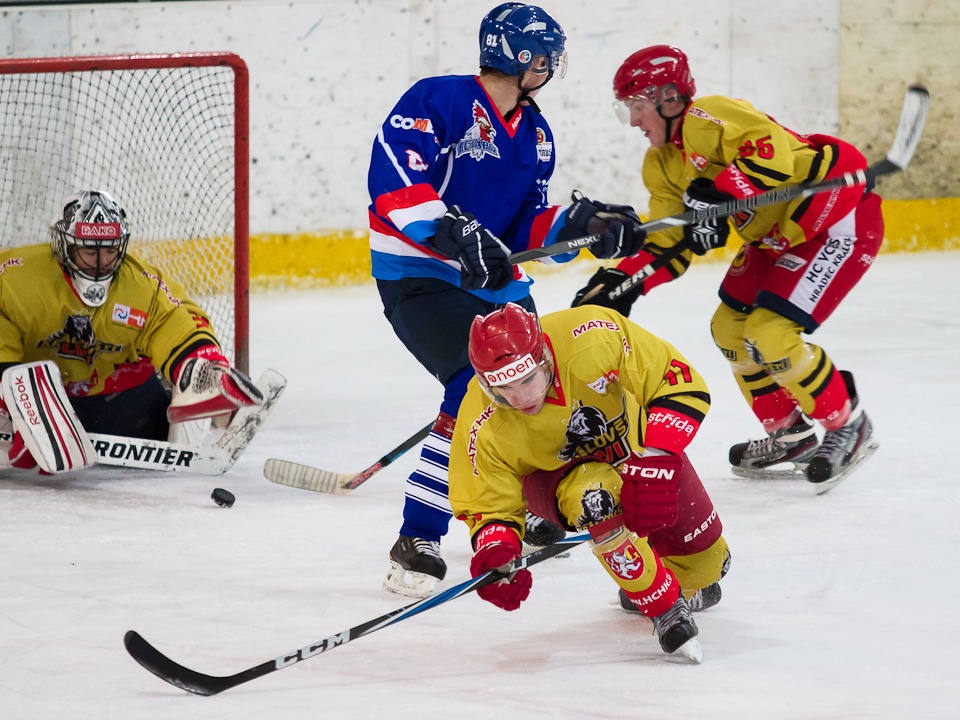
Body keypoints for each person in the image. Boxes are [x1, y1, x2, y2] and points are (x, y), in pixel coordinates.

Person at [366, 2, 646, 598]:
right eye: (545, 58)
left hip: (496, 285)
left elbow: (523, 230)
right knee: (473, 386)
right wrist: (451, 231)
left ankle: (540, 505)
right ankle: (417, 536)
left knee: (537, 387)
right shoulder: (439, 99)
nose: (550, 68)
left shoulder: (536, 135)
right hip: (420, 276)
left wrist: (582, 225)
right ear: (522, 57)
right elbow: (395, 178)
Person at [572, 45, 881, 488]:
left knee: (770, 334)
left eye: (638, 106)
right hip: (775, 239)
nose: (635, 121)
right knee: (729, 330)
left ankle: (848, 423)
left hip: (834, 220)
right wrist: (621, 282)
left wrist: (719, 193)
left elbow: (775, 157)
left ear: (669, 98)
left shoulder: (709, 115)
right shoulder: (661, 164)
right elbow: (670, 243)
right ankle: (791, 435)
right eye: (629, 109)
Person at [447, 302, 730, 662]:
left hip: (635, 454)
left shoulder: (594, 334)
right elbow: (486, 505)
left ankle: (647, 581)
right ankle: (663, 607)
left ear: (544, 358)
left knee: (711, 565)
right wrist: (497, 553)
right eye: (504, 387)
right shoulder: (479, 421)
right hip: (556, 480)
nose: (521, 398)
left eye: (528, 379)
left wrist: (655, 462)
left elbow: (678, 382)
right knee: (596, 497)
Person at [0, 189, 261, 471]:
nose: (100, 262)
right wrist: (10, 403)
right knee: (21, 385)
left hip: (119, 397)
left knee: (161, 424)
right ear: (65, 247)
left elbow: (175, 321)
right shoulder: (17, 279)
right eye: (89, 250)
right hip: (38, 398)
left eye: (110, 250)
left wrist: (202, 366)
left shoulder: (140, 286)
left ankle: (205, 403)